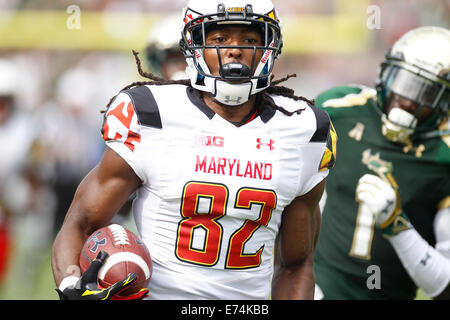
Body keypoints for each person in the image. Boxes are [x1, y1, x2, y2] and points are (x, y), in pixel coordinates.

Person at [51, 0, 337, 300]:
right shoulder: (152, 114)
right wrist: (72, 285)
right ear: (193, 44)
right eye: (220, 39)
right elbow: (81, 222)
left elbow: (296, 264)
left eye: (250, 39)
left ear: (270, 47)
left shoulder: (303, 130)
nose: (235, 50)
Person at [314, 26, 450, 300]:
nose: (405, 100)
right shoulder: (340, 108)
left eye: (424, 93)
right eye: (402, 81)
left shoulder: (443, 157)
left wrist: (396, 225)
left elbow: (445, 288)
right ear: (385, 73)